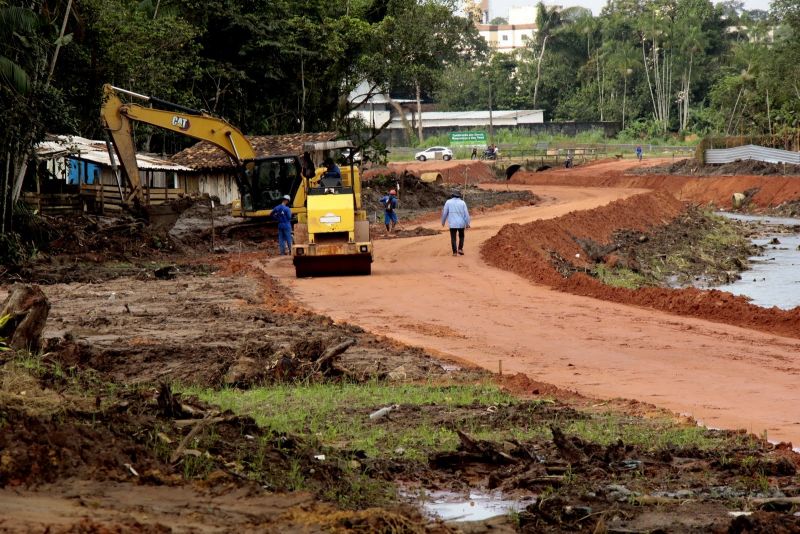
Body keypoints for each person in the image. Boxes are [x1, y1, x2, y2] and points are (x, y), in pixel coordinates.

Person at [441, 190, 470, 256]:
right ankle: (460, 249)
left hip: (452, 224)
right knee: (461, 236)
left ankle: (454, 252)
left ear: (452, 195)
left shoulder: (448, 202)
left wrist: (443, 221)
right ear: (459, 196)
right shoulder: (462, 203)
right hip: (461, 223)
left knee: (453, 237)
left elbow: (445, 213)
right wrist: (467, 223)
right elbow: (466, 214)